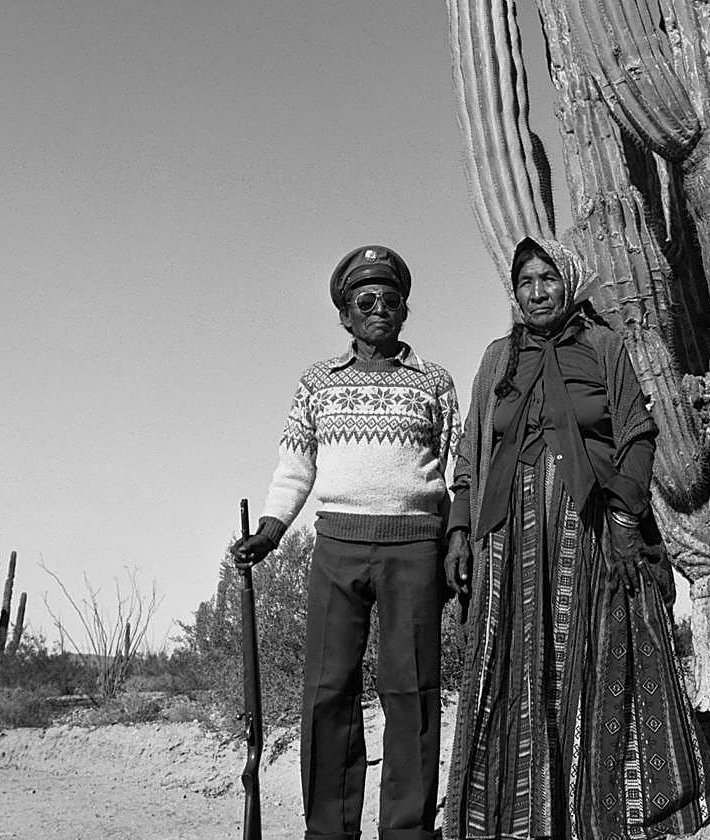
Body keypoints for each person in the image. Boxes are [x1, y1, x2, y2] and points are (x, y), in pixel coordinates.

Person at [442, 237, 710, 840]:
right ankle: (516, 814)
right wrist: (461, 529)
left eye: (548, 278)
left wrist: (624, 519)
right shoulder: (497, 359)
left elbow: (638, 434)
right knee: (512, 662)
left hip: (589, 526)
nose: (537, 292)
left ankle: (597, 807)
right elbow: (470, 454)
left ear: (566, 284)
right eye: (525, 282)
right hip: (509, 539)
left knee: (592, 653)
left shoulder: (603, 346)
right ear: (513, 293)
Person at [233, 244, 460, 840]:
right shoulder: (317, 384)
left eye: (391, 299)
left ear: (405, 312)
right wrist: (273, 528)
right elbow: (295, 467)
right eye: (366, 300)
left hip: (415, 548)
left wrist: (458, 539)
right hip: (336, 547)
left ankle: (408, 830)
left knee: (410, 691)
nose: (379, 308)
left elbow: (459, 467)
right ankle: (329, 829)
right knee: (328, 690)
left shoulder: (434, 382)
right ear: (345, 316)